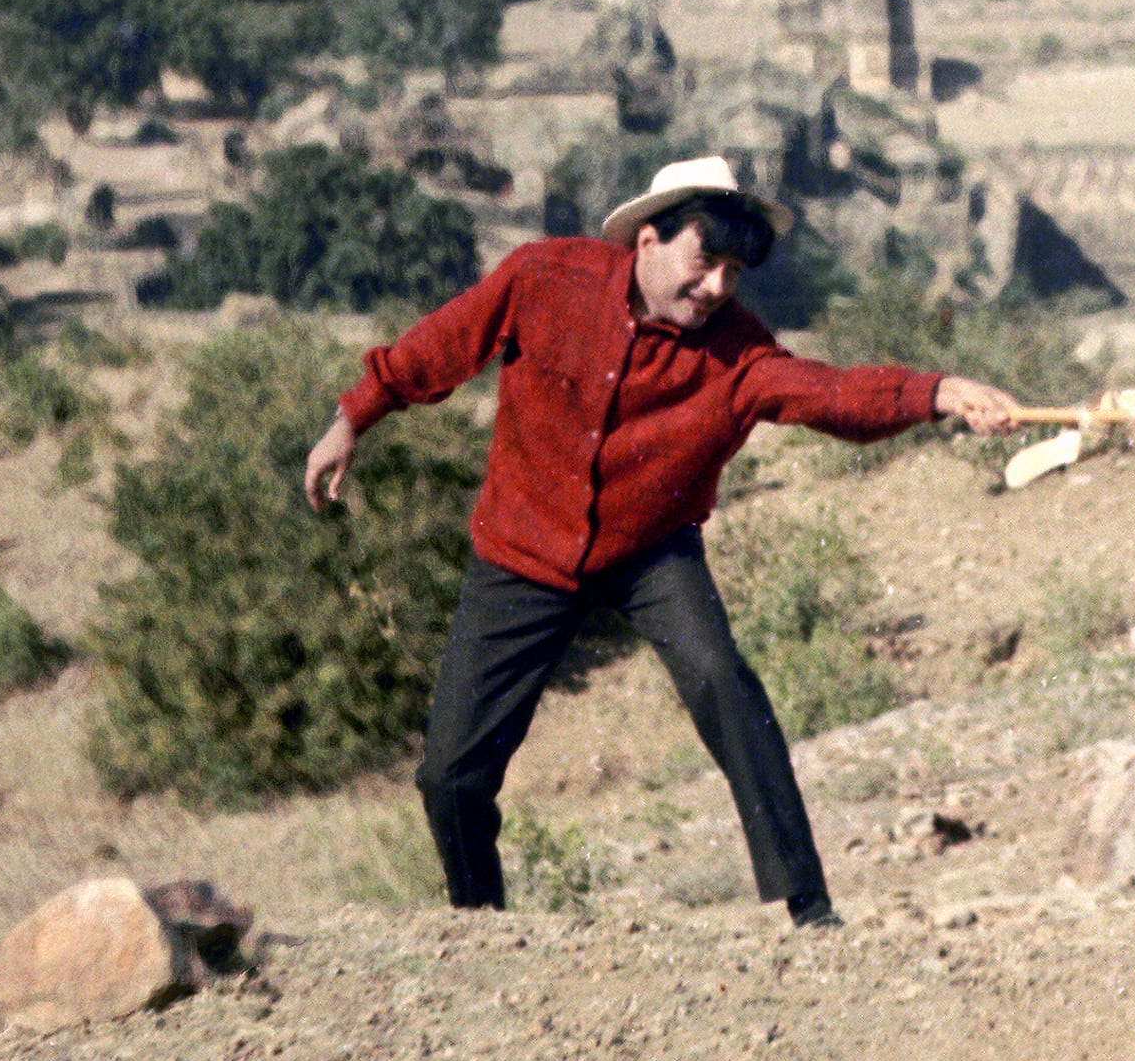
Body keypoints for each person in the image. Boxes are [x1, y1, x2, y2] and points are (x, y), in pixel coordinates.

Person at [304, 155, 1020, 921]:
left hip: (650, 550)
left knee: (723, 682)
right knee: (450, 774)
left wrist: (938, 393)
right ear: (649, 240)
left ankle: (810, 907)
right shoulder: (543, 278)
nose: (716, 288)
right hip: (523, 546)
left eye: (733, 273)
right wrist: (353, 419)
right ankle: (480, 925)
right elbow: (439, 347)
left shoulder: (739, 353)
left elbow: (831, 394)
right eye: (704, 262)